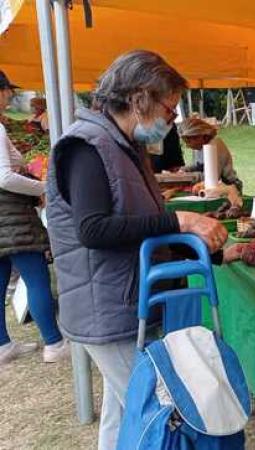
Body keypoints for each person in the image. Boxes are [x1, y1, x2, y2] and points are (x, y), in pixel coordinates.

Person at [45, 50, 228, 450]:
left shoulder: (127, 148)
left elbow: (142, 229)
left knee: (122, 414)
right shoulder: (86, 148)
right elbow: (94, 229)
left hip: (129, 302)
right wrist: (180, 221)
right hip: (107, 311)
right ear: (141, 97)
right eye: (171, 108)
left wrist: (201, 249)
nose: (174, 120)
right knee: (156, 415)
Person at [0, 71, 69, 366]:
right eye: (7, 91)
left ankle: (3, 344)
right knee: (37, 276)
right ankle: (54, 343)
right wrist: (44, 187)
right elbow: (4, 177)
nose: (10, 97)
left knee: (1, 278)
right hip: (11, 217)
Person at [179, 115, 243, 193]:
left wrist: (186, 177)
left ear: (199, 136)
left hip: (228, 187)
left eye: (188, 142)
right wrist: (183, 170)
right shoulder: (199, 147)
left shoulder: (214, 145)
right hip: (211, 187)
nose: (187, 146)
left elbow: (212, 177)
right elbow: (198, 165)